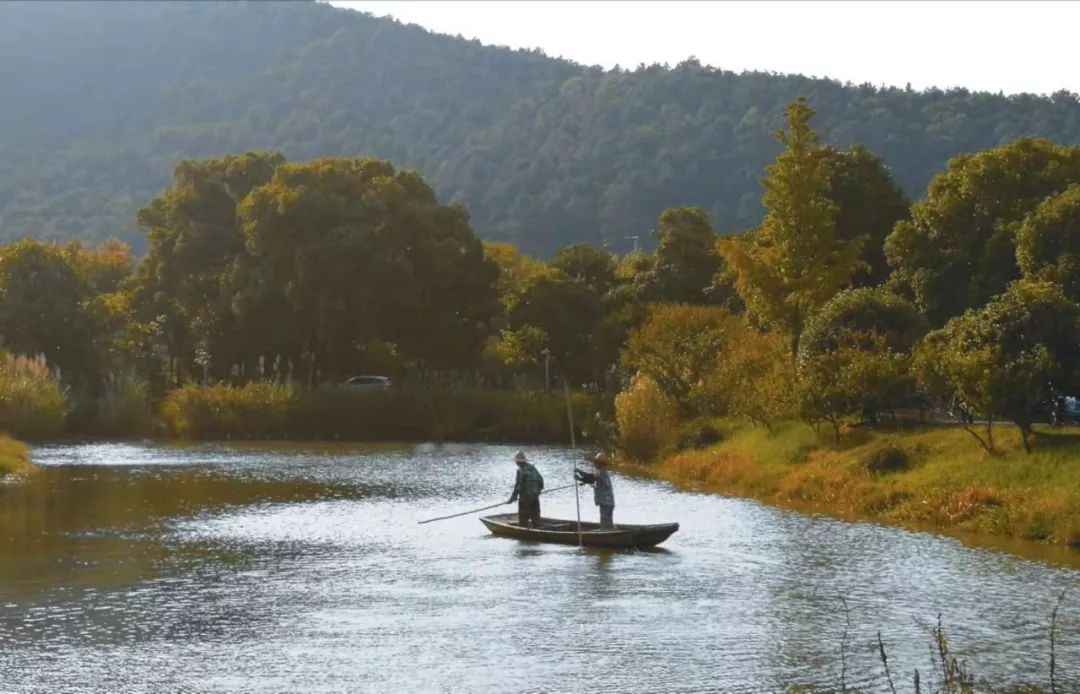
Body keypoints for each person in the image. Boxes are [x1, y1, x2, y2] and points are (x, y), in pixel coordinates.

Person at [574, 452, 615, 529]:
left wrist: (579, 475)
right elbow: (594, 482)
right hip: (607, 502)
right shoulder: (602, 472)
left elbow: (591, 478)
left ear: (600, 464)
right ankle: (610, 533)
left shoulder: (602, 472)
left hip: (606, 502)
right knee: (607, 522)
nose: (595, 464)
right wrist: (583, 480)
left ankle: (605, 535)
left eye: (596, 463)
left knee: (604, 522)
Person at [508, 450, 544, 528]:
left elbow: (518, 485)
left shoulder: (520, 470)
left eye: (516, 461)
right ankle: (537, 526)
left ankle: (523, 527)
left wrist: (512, 498)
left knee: (523, 514)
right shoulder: (532, 467)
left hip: (526, 496)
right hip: (535, 494)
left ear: (518, 462)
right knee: (535, 512)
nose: (516, 463)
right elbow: (541, 479)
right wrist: (539, 491)